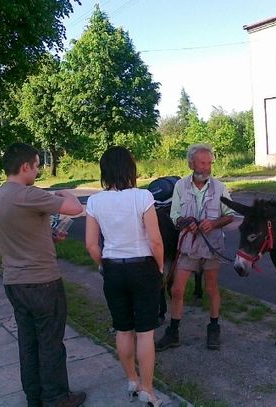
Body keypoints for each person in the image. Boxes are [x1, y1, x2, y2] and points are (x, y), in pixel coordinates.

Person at [0, 143, 85, 407]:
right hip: (42, 281)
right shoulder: (27, 194)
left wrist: (50, 237)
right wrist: (66, 190)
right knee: (51, 341)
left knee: (28, 341)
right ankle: (57, 398)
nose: (38, 169)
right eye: (36, 164)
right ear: (25, 167)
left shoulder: (0, 196)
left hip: (14, 281)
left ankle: (35, 396)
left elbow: (21, 235)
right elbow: (74, 208)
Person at [85, 146, 164, 407]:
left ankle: (131, 379)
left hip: (113, 269)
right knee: (145, 333)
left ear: (104, 171)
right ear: (130, 169)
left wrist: (104, 264)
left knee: (123, 329)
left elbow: (91, 245)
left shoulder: (95, 201)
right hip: (142, 267)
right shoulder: (143, 197)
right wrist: (160, 267)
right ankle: (148, 390)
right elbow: (155, 241)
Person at [155, 143, 234, 352]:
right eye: (202, 163)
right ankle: (173, 333)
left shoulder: (220, 187)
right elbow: (174, 216)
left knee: (211, 288)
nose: (206, 167)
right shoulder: (180, 186)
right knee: (177, 289)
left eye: (209, 163)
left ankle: (214, 328)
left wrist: (214, 223)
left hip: (211, 247)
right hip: (188, 247)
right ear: (191, 164)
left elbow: (230, 215)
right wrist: (184, 222)